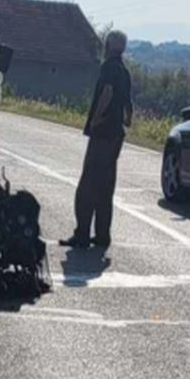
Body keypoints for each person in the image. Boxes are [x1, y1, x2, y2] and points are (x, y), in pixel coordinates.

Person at [60, 30, 132, 249]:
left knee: (88, 185)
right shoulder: (124, 71)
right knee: (105, 186)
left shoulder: (109, 67)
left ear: (109, 45)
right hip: (116, 134)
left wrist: (96, 119)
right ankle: (102, 235)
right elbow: (128, 102)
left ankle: (82, 233)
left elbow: (107, 92)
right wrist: (127, 120)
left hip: (103, 133)